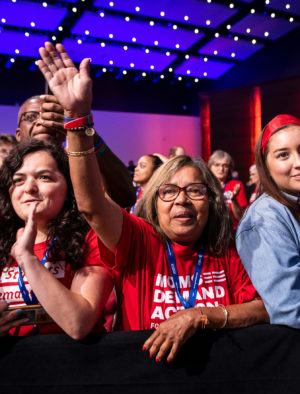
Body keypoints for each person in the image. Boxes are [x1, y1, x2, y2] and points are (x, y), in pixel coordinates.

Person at [37, 42, 269, 361]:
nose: (182, 201)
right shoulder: (140, 242)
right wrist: (77, 119)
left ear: (212, 201)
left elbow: (265, 308)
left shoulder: (227, 248)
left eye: (195, 191)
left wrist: (201, 315)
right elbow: (90, 204)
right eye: (169, 191)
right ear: (153, 203)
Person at [0, 140, 113, 337]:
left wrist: (27, 258)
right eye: (18, 180)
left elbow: (78, 324)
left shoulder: (92, 239)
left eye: (44, 177)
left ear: (69, 187)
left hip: (70, 362)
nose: (29, 188)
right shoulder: (2, 242)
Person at [236, 114, 300, 328]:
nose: (298, 163)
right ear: (266, 166)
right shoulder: (264, 218)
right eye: (284, 155)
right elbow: (289, 307)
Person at [16, 94, 135, 208]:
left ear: (64, 134)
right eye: (31, 117)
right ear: (18, 135)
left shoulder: (83, 166)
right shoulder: (8, 172)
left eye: (51, 115)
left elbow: (126, 198)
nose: (42, 121)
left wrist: (82, 130)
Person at [208, 150, 247, 229]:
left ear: (229, 168)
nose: (221, 169)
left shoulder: (236, 185)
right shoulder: (205, 185)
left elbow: (241, 217)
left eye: (225, 165)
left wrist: (234, 200)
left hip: (232, 231)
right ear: (210, 167)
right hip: (210, 231)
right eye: (217, 165)